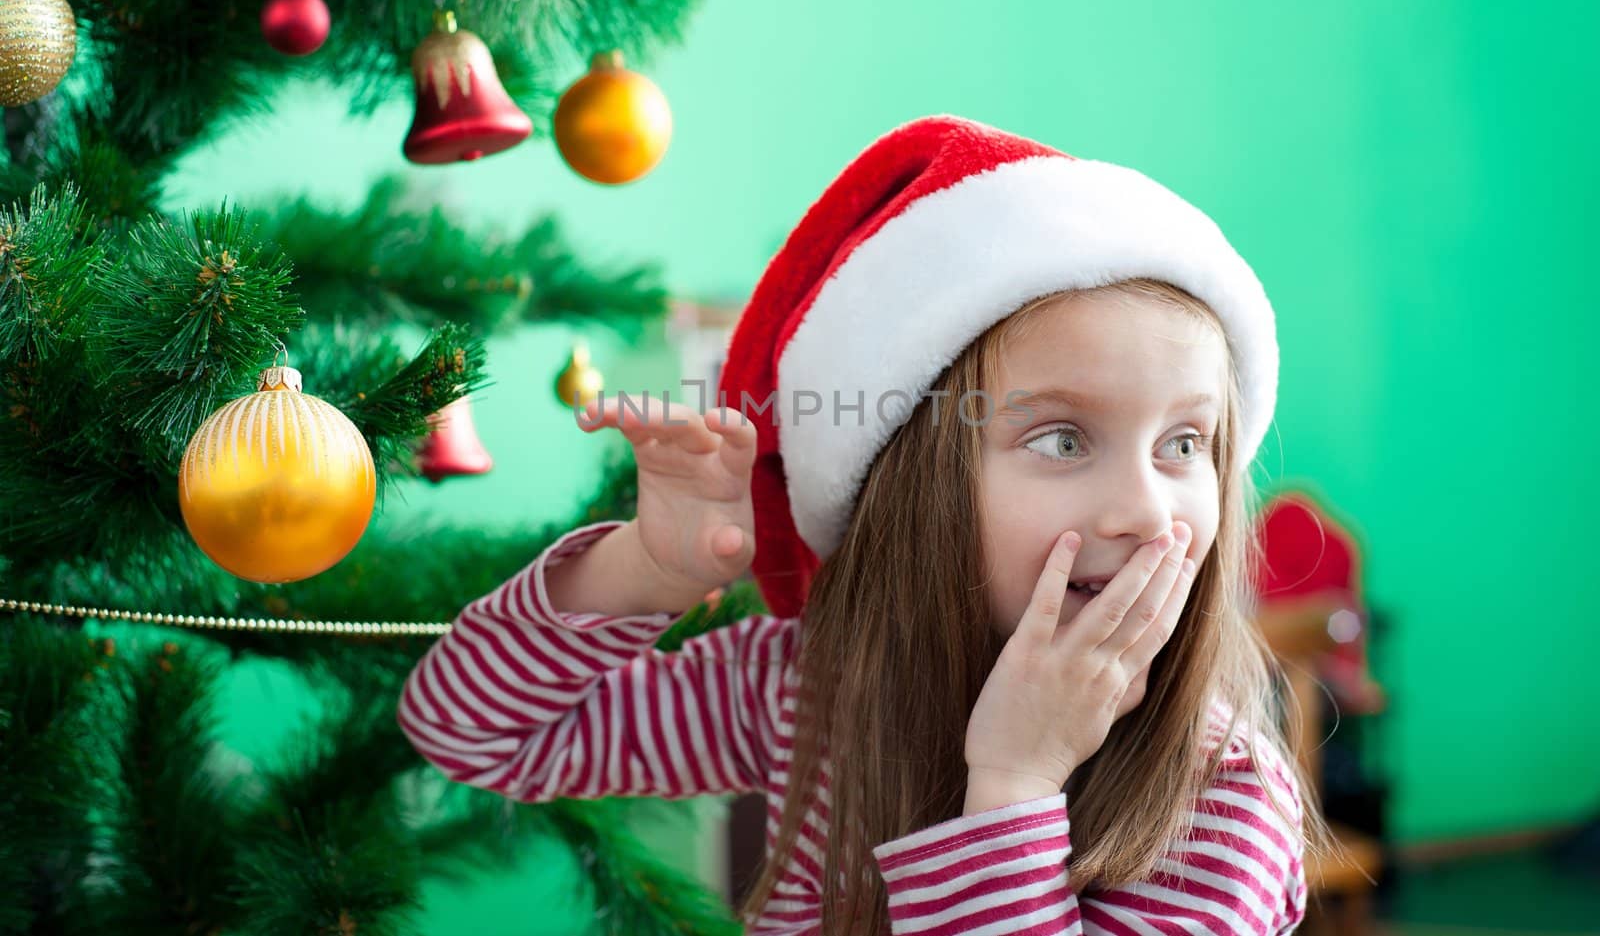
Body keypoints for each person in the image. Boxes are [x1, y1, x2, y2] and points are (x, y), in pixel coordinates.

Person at [397, 115, 1332, 934]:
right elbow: (466, 729)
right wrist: (644, 570)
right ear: (909, 483)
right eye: (1061, 438)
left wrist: (1011, 784)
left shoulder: (1224, 802)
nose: (1145, 507)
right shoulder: (809, 689)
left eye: (1183, 445)